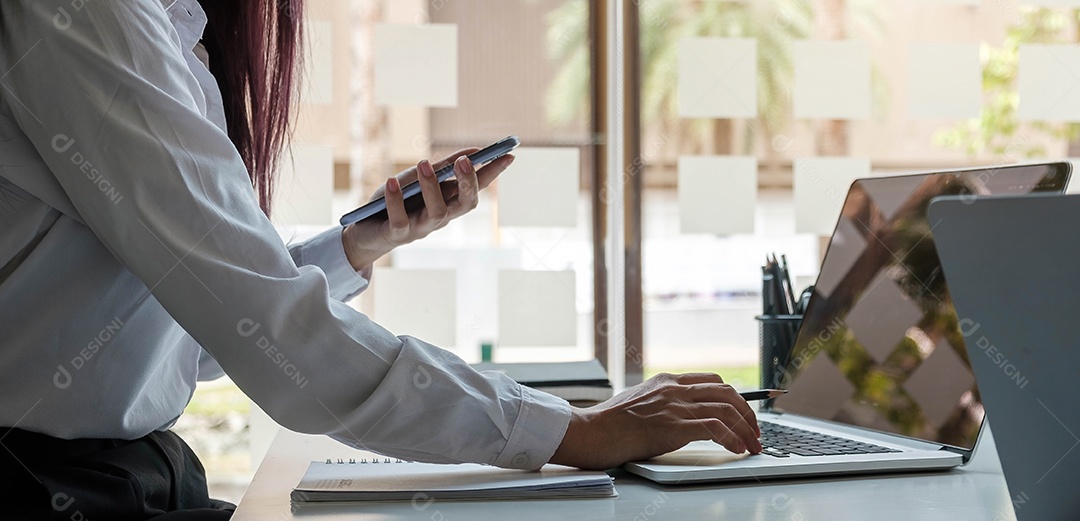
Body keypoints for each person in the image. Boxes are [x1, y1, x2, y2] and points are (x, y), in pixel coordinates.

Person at [0, 1, 761, 518]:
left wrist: (357, 245)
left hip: (132, 476)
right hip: (49, 487)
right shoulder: (91, 18)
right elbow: (271, 332)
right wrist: (575, 431)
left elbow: (196, 332)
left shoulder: (163, 24)